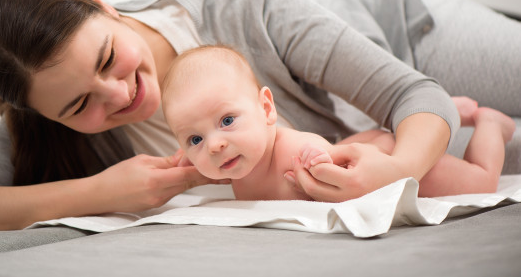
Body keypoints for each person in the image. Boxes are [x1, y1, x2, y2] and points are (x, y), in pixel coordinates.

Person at [0, 0, 521, 234]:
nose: (120, 96)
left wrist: (399, 172)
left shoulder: (240, 5)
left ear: (101, 3)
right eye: (78, 105)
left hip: (406, 29)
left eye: (108, 58)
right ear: (44, 113)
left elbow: (414, 95)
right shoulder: (47, 126)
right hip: (397, 124)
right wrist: (102, 193)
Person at [161, 45, 516, 200]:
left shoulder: (293, 152)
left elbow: (339, 164)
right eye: (195, 139)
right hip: (365, 144)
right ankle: (442, 115)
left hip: (384, 158)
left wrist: (319, 163)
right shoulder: (231, 161)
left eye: (226, 120)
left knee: (481, 182)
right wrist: (189, 162)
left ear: (266, 109)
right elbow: (202, 162)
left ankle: (490, 124)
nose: (215, 144)